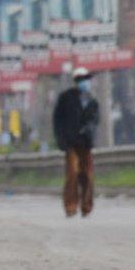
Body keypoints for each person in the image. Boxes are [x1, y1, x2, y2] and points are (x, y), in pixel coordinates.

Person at [52, 67, 100, 218]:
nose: (84, 82)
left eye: (86, 79)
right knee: (72, 174)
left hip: (86, 143)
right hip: (71, 143)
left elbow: (95, 120)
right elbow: (57, 121)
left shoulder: (92, 100)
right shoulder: (66, 98)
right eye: (81, 79)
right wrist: (61, 140)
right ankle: (71, 206)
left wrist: (90, 132)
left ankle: (87, 206)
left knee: (88, 175)